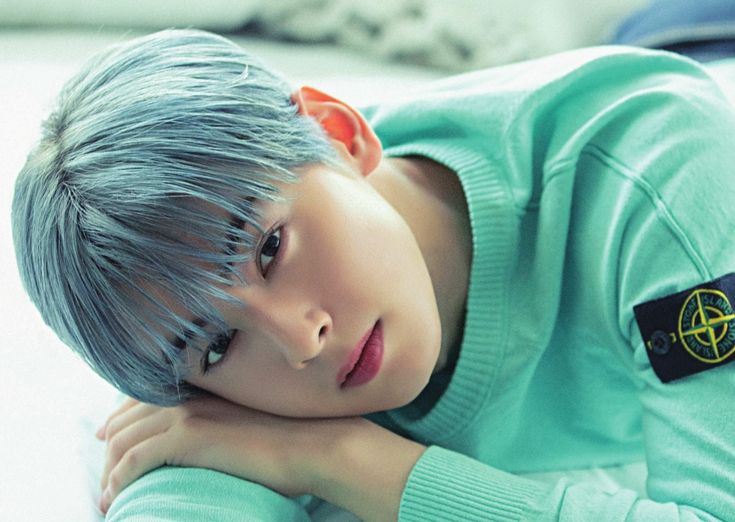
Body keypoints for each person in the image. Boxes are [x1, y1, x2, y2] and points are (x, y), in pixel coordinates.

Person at [11, 22, 735, 522]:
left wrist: (340, 457)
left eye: (268, 250)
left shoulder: (655, 174)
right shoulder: (183, 320)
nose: (300, 340)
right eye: (217, 344)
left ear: (337, 132)